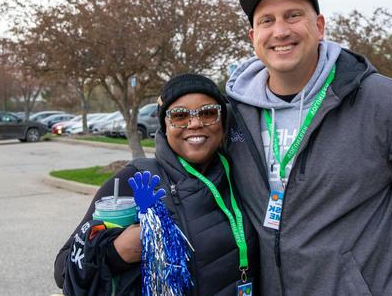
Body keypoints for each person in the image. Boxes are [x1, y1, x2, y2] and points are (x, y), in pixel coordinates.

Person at [224, 0, 392, 296]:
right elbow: (190, 170)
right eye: (266, 20)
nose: (280, 30)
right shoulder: (234, 113)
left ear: (319, 26)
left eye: (293, 15)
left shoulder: (385, 101)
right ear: (253, 37)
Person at [54, 74, 259, 295]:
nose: (196, 123)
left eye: (208, 112)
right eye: (180, 116)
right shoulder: (137, 179)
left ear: (222, 120)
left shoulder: (242, 173)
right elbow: (63, 269)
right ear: (165, 125)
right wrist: (115, 253)